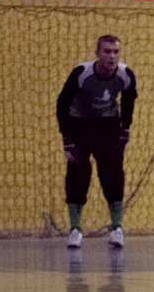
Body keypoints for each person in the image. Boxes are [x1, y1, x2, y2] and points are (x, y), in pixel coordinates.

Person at [56, 34, 137, 249]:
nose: (112, 56)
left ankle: (117, 228)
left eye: (116, 52)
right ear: (97, 54)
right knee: (78, 174)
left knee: (113, 174)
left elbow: (129, 101)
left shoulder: (125, 75)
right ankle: (75, 229)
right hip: (80, 125)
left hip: (107, 126)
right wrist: (67, 138)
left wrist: (125, 130)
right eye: (107, 52)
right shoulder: (82, 73)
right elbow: (62, 104)